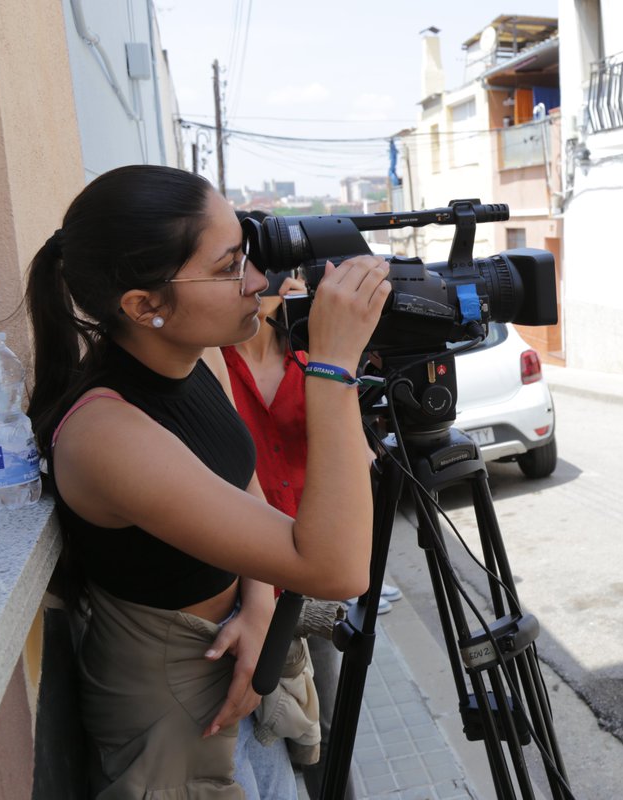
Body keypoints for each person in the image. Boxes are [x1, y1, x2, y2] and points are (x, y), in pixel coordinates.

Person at [25, 165, 391, 797]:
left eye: (246, 253)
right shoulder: (106, 435)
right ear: (144, 307)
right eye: (227, 268)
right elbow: (337, 568)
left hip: (239, 658)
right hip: (173, 708)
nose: (256, 282)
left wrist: (256, 606)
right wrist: (332, 368)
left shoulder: (193, 363)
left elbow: (239, 487)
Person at [222, 209, 399, 799]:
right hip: (243, 564)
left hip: (317, 560)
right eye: (242, 271)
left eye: (264, 272)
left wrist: (331, 351)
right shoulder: (211, 363)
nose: (259, 286)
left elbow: (351, 445)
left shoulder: (314, 354)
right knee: (255, 724)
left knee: (320, 719)